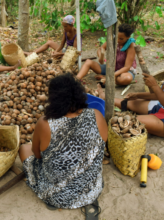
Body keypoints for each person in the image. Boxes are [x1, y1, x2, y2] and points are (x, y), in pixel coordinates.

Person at [19, 73, 108, 211]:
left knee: (24, 149)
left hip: (56, 195)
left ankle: (51, 195)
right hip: (91, 191)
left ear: (53, 99)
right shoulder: (96, 114)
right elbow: (101, 145)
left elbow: (37, 155)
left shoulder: (45, 123)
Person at [97, 27, 164, 141]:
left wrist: (154, 86)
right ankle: (104, 98)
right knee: (130, 102)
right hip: (162, 107)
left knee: (126, 123)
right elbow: (162, 95)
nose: (163, 55)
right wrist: (138, 95)